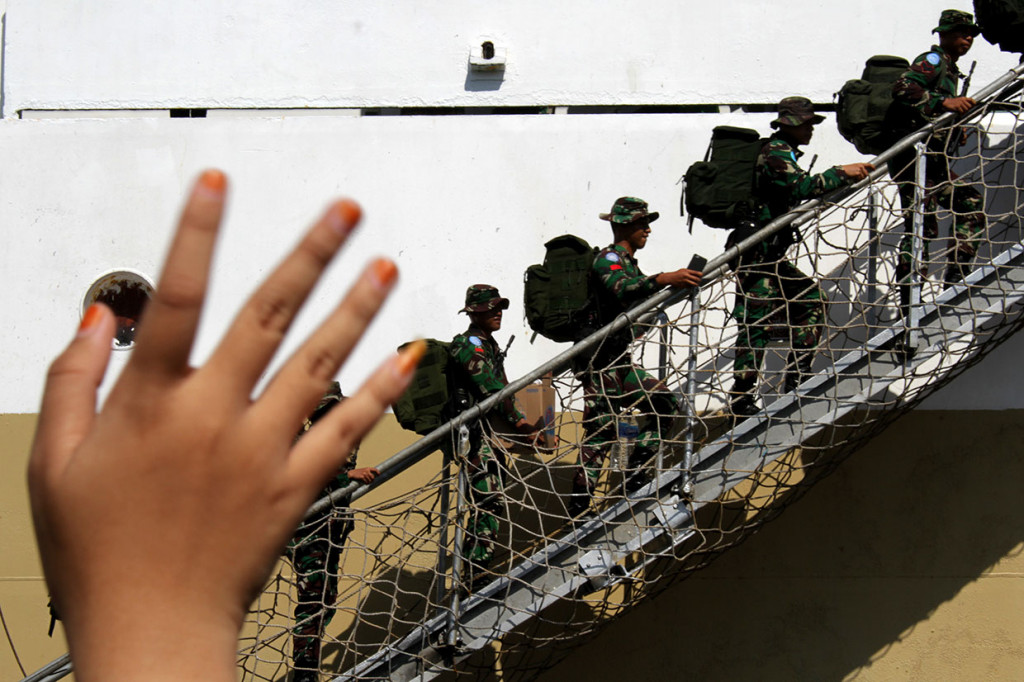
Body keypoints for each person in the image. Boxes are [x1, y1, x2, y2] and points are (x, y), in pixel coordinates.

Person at [27, 169, 426, 682]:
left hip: (308, 524)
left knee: (310, 600)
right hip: (307, 523)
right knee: (308, 601)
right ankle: (303, 670)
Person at [728, 97, 874, 419]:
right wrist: (842, 172)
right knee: (755, 324)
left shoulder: (783, 151)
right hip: (756, 257)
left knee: (812, 300)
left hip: (770, 255)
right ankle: (740, 399)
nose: (811, 129)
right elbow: (801, 187)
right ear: (792, 123)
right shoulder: (776, 152)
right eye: (808, 123)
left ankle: (796, 375)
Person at [568, 197, 702, 517]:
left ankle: (635, 468)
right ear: (624, 225)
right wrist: (665, 278)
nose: (648, 230)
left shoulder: (629, 262)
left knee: (663, 403)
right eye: (642, 223)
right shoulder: (607, 259)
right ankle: (579, 504)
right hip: (598, 364)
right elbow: (623, 289)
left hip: (620, 361)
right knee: (602, 432)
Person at [448, 284, 551, 590]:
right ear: (474, 312)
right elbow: (492, 390)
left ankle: (477, 569)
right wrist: (520, 422)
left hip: (488, 436)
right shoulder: (468, 345)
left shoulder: (488, 345)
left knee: (491, 501)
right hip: (473, 438)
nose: (498, 314)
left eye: (500, 308)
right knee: (487, 500)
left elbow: (501, 390)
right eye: (491, 309)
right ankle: (473, 574)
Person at [890, 9, 985, 305]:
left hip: (934, 161)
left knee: (969, 203)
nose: (967, 38)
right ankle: (910, 298)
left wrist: (954, 126)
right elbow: (903, 88)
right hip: (914, 162)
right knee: (921, 228)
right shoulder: (932, 61)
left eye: (970, 34)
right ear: (943, 34)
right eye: (960, 32)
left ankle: (955, 277)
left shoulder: (950, 69)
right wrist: (945, 101)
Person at [288, 382, 380, 682]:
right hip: (308, 530)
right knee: (313, 600)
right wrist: (347, 475)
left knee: (327, 599)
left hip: (330, 527)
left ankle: (308, 665)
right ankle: (303, 672)